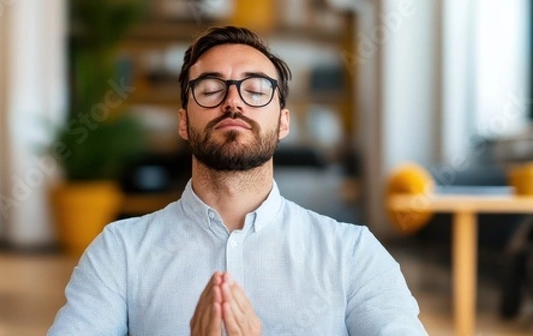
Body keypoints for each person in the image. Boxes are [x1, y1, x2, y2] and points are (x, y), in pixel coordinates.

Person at [48, 25, 427, 335]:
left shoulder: (353, 253)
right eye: (211, 89)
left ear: (283, 122)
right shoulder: (119, 251)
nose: (234, 101)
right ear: (183, 121)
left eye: (256, 89)